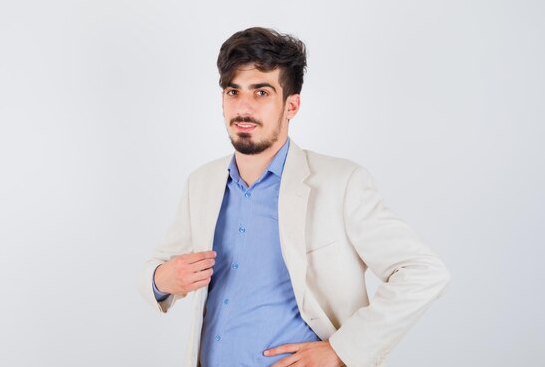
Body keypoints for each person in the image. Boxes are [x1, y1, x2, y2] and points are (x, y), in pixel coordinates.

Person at [138, 27, 450, 367]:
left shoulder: (341, 183)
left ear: (292, 105)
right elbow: (158, 267)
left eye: (261, 93)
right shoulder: (201, 183)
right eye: (233, 91)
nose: (243, 108)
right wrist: (161, 280)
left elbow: (422, 271)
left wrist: (342, 351)